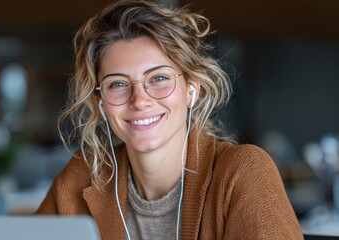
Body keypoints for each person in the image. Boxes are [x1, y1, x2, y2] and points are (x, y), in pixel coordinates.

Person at [36, 0, 303, 239]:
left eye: (159, 78)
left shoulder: (243, 172)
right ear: (102, 103)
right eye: (118, 84)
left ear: (191, 90)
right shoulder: (82, 175)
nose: (139, 100)